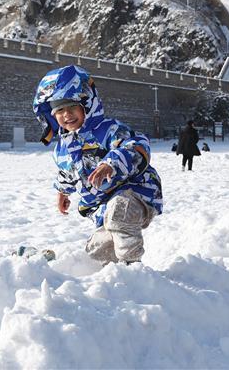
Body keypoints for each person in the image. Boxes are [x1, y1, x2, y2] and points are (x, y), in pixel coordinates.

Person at [33, 65, 162, 265]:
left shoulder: (108, 130)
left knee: (120, 213)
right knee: (97, 249)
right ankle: (105, 276)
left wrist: (112, 163)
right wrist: (63, 192)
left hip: (137, 192)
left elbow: (136, 146)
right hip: (101, 207)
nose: (66, 114)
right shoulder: (62, 148)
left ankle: (133, 270)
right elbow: (67, 173)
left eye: (72, 107)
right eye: (59, 110)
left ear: (87, 104)